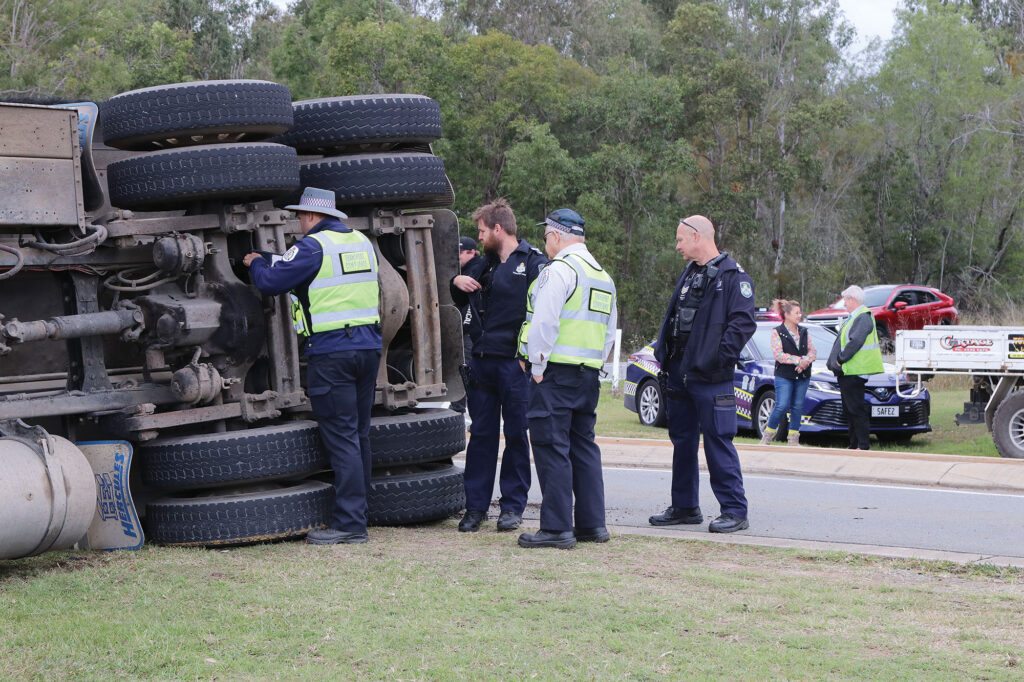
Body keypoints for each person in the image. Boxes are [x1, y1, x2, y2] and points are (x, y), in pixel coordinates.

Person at [243, 187, 381, 545]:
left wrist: (257, 262)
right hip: (367, 347)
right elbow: (315, 271)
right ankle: (362, 512)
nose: (299, 222)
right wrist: (276, 257)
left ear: (309, 216)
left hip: (332, 353)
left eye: (299, 216)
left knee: (342, 437)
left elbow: (271, 282)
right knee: (359, 434)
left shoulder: (311, 246)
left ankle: (351, 525)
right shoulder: (360, 242)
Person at [648, 215, 756, 534]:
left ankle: (735, 510)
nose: (677, 245)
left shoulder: (733, 276)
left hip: (711, 376)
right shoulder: (691, 273)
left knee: (717, 441)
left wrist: (716, 360)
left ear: (697, 237)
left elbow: (742, 325)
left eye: (681, 239)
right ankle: (684, 507)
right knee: (682, 441)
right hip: (679, 372)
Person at [517, 208, 617, 549]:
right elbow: (608, 332)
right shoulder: (603, 276)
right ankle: (592, 525)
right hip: (587, 374)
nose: (546, 244)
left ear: (556, 235)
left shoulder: (559, 270)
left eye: (546, 237)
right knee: (584, 447)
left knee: (551, 446)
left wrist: (538, 366)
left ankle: (557, 528)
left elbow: (544, 322)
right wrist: (596, 367)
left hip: (556, 372)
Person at [450, 199, 546, 533]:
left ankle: (512, 507)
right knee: (482, 436)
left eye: (481, 231)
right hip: (482, 364)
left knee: (517, 434)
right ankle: (475, 508)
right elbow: (459, 297)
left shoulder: (533, 263)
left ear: (497, 229)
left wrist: (528, 358)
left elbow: (544, 313)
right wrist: (455, 283)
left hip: (515, 366)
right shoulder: (481, 265)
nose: (478, 238)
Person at [826, 285, 884, 450]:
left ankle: (863, 445)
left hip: (855, 370)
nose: (844, 303)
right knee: (850, 409)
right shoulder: (854, 317)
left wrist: (840, 359)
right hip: (848, 371)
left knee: (856, 409)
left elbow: (856, 341)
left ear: (852, 299)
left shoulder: (863, 316)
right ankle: (854, 444)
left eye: (845, 299)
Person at [760, 299, 816, 446]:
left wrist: (805, 363)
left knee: (797, 406)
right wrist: (798, 360)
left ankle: (793, 439)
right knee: (781, 405)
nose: (800, 315)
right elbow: (778, 355)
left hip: (803, 375)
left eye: (800, 312)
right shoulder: (777, 332)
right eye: (797, 313)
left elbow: (813, 351)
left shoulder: (804, 332)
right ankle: (767, 436)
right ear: (787, 315)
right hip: (784, 375)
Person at [450, 236, 485, 414]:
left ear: (471, 252)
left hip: (472, 334)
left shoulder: (476, 269)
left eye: (460, 253)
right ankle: (459, 406)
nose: (457, 257)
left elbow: (471, 305)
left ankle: (460, 408)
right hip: (470, 331)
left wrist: (464, 327)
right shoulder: (465, 270)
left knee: (469, 371)